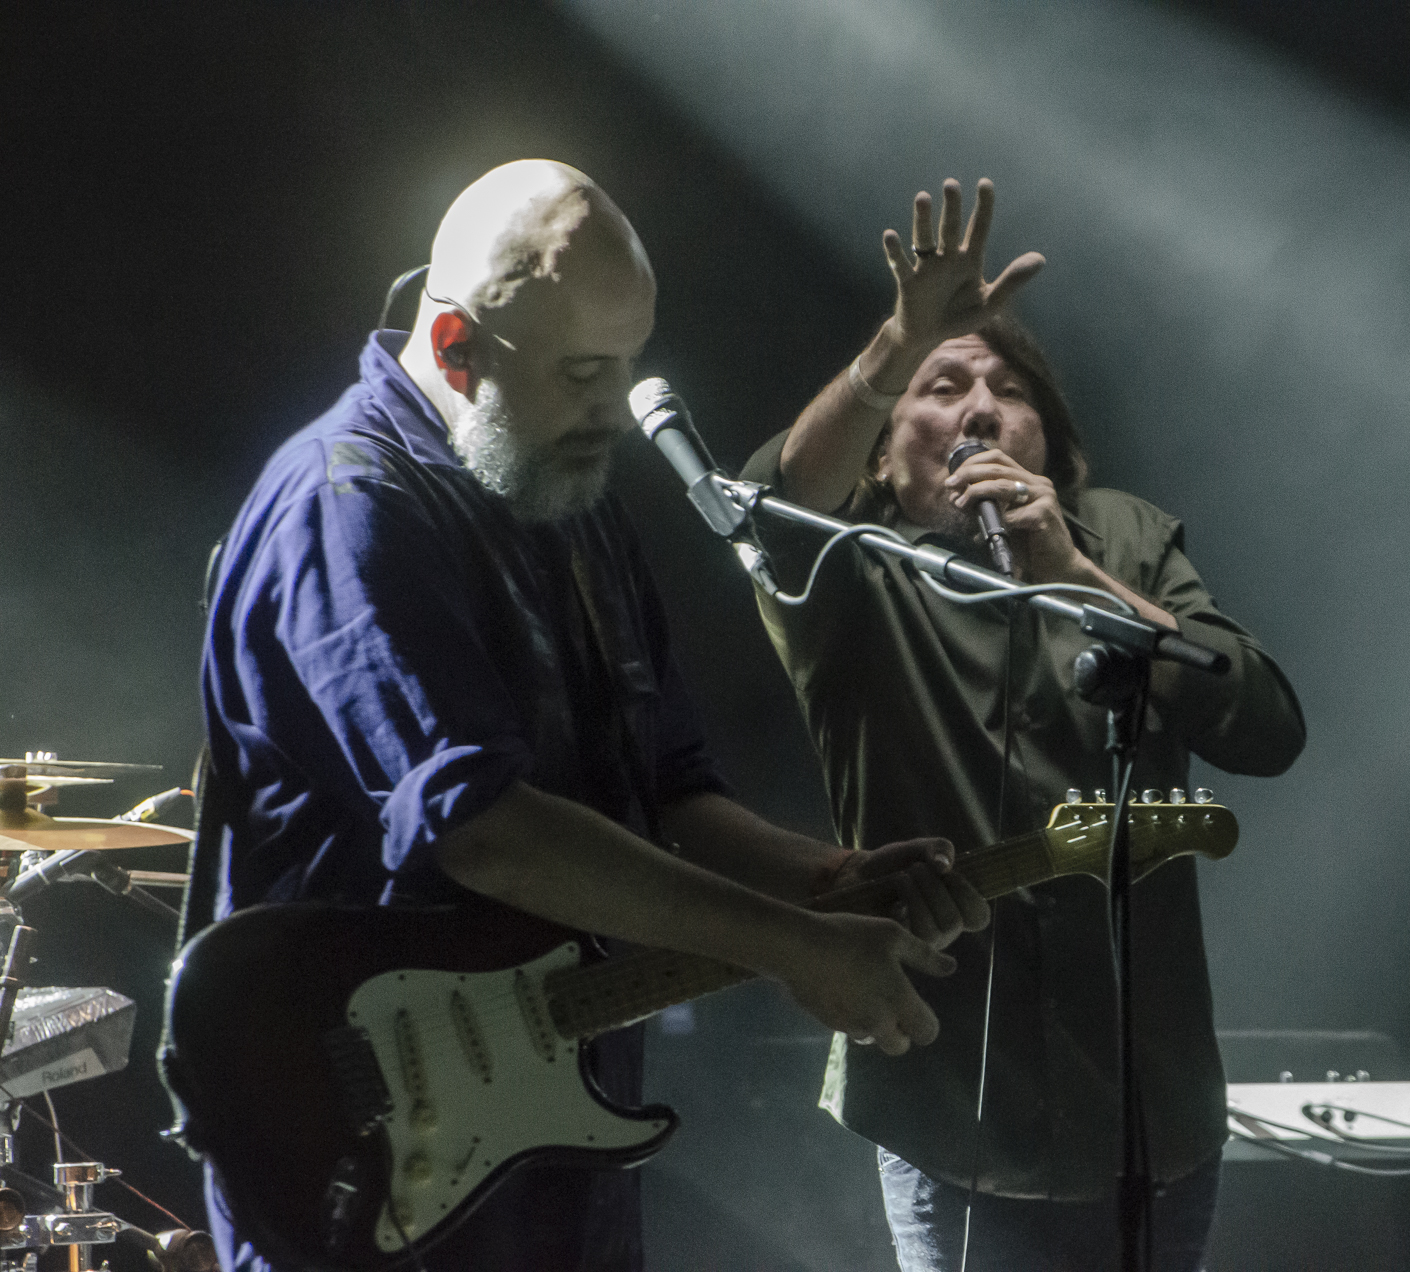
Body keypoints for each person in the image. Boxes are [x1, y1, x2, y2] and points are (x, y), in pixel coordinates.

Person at [197, 160, 986, 1272]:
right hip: (360, 1141)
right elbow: (484, 827)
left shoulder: (557, 489)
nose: (617, 408)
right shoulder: (351, 505)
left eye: (627, 366)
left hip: (542, 1135)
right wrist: (794, 946)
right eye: (581, 373)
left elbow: (669, 788)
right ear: (456, 347)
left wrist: (824, 880)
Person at [738, 178, 1306, 1271]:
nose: (981, 409)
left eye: (1009, 389)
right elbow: (774, 500)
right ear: (881, 450)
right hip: (946, 1110)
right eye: (941, 386)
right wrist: (898, 340)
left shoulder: (1121, 539)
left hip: (1150, 1113)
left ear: (1049, 439)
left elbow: (1265, 726)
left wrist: (1074, 573)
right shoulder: (847, 569)